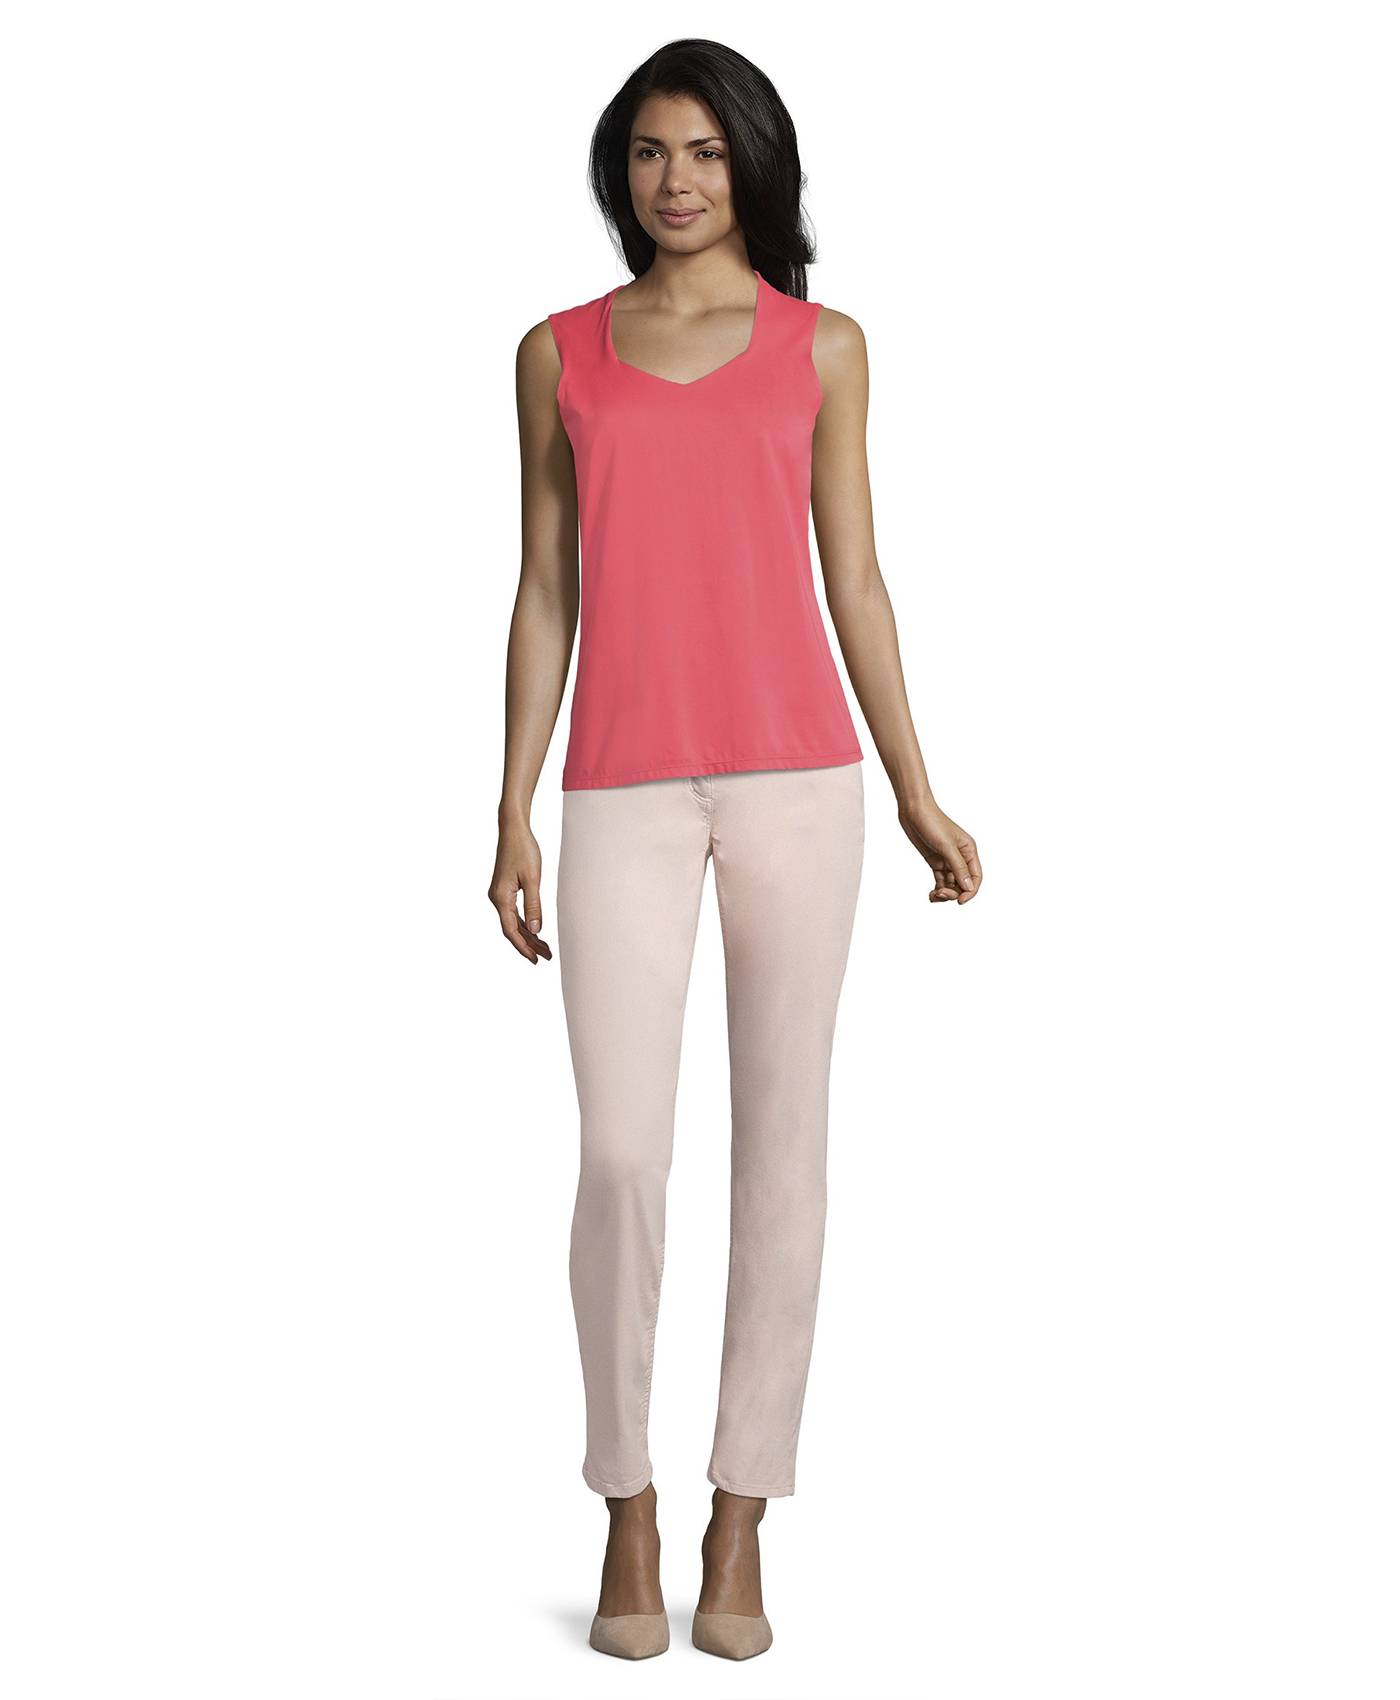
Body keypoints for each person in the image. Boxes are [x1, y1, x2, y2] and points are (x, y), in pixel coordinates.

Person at [490, 37, 982, 1663]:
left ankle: (741, 1511)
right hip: (621, 788)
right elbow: (545, 586)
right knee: (622, 1157)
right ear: (618, 172)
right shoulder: (557, 354)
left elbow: (859, 577)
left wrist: (915, 787)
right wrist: (511, 801)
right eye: (648, 152)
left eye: (704, 151)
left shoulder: (823, 348)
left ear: (753, 164)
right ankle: (624, 1500)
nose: (676, 180)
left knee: (783, 1151)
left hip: (798, 786)